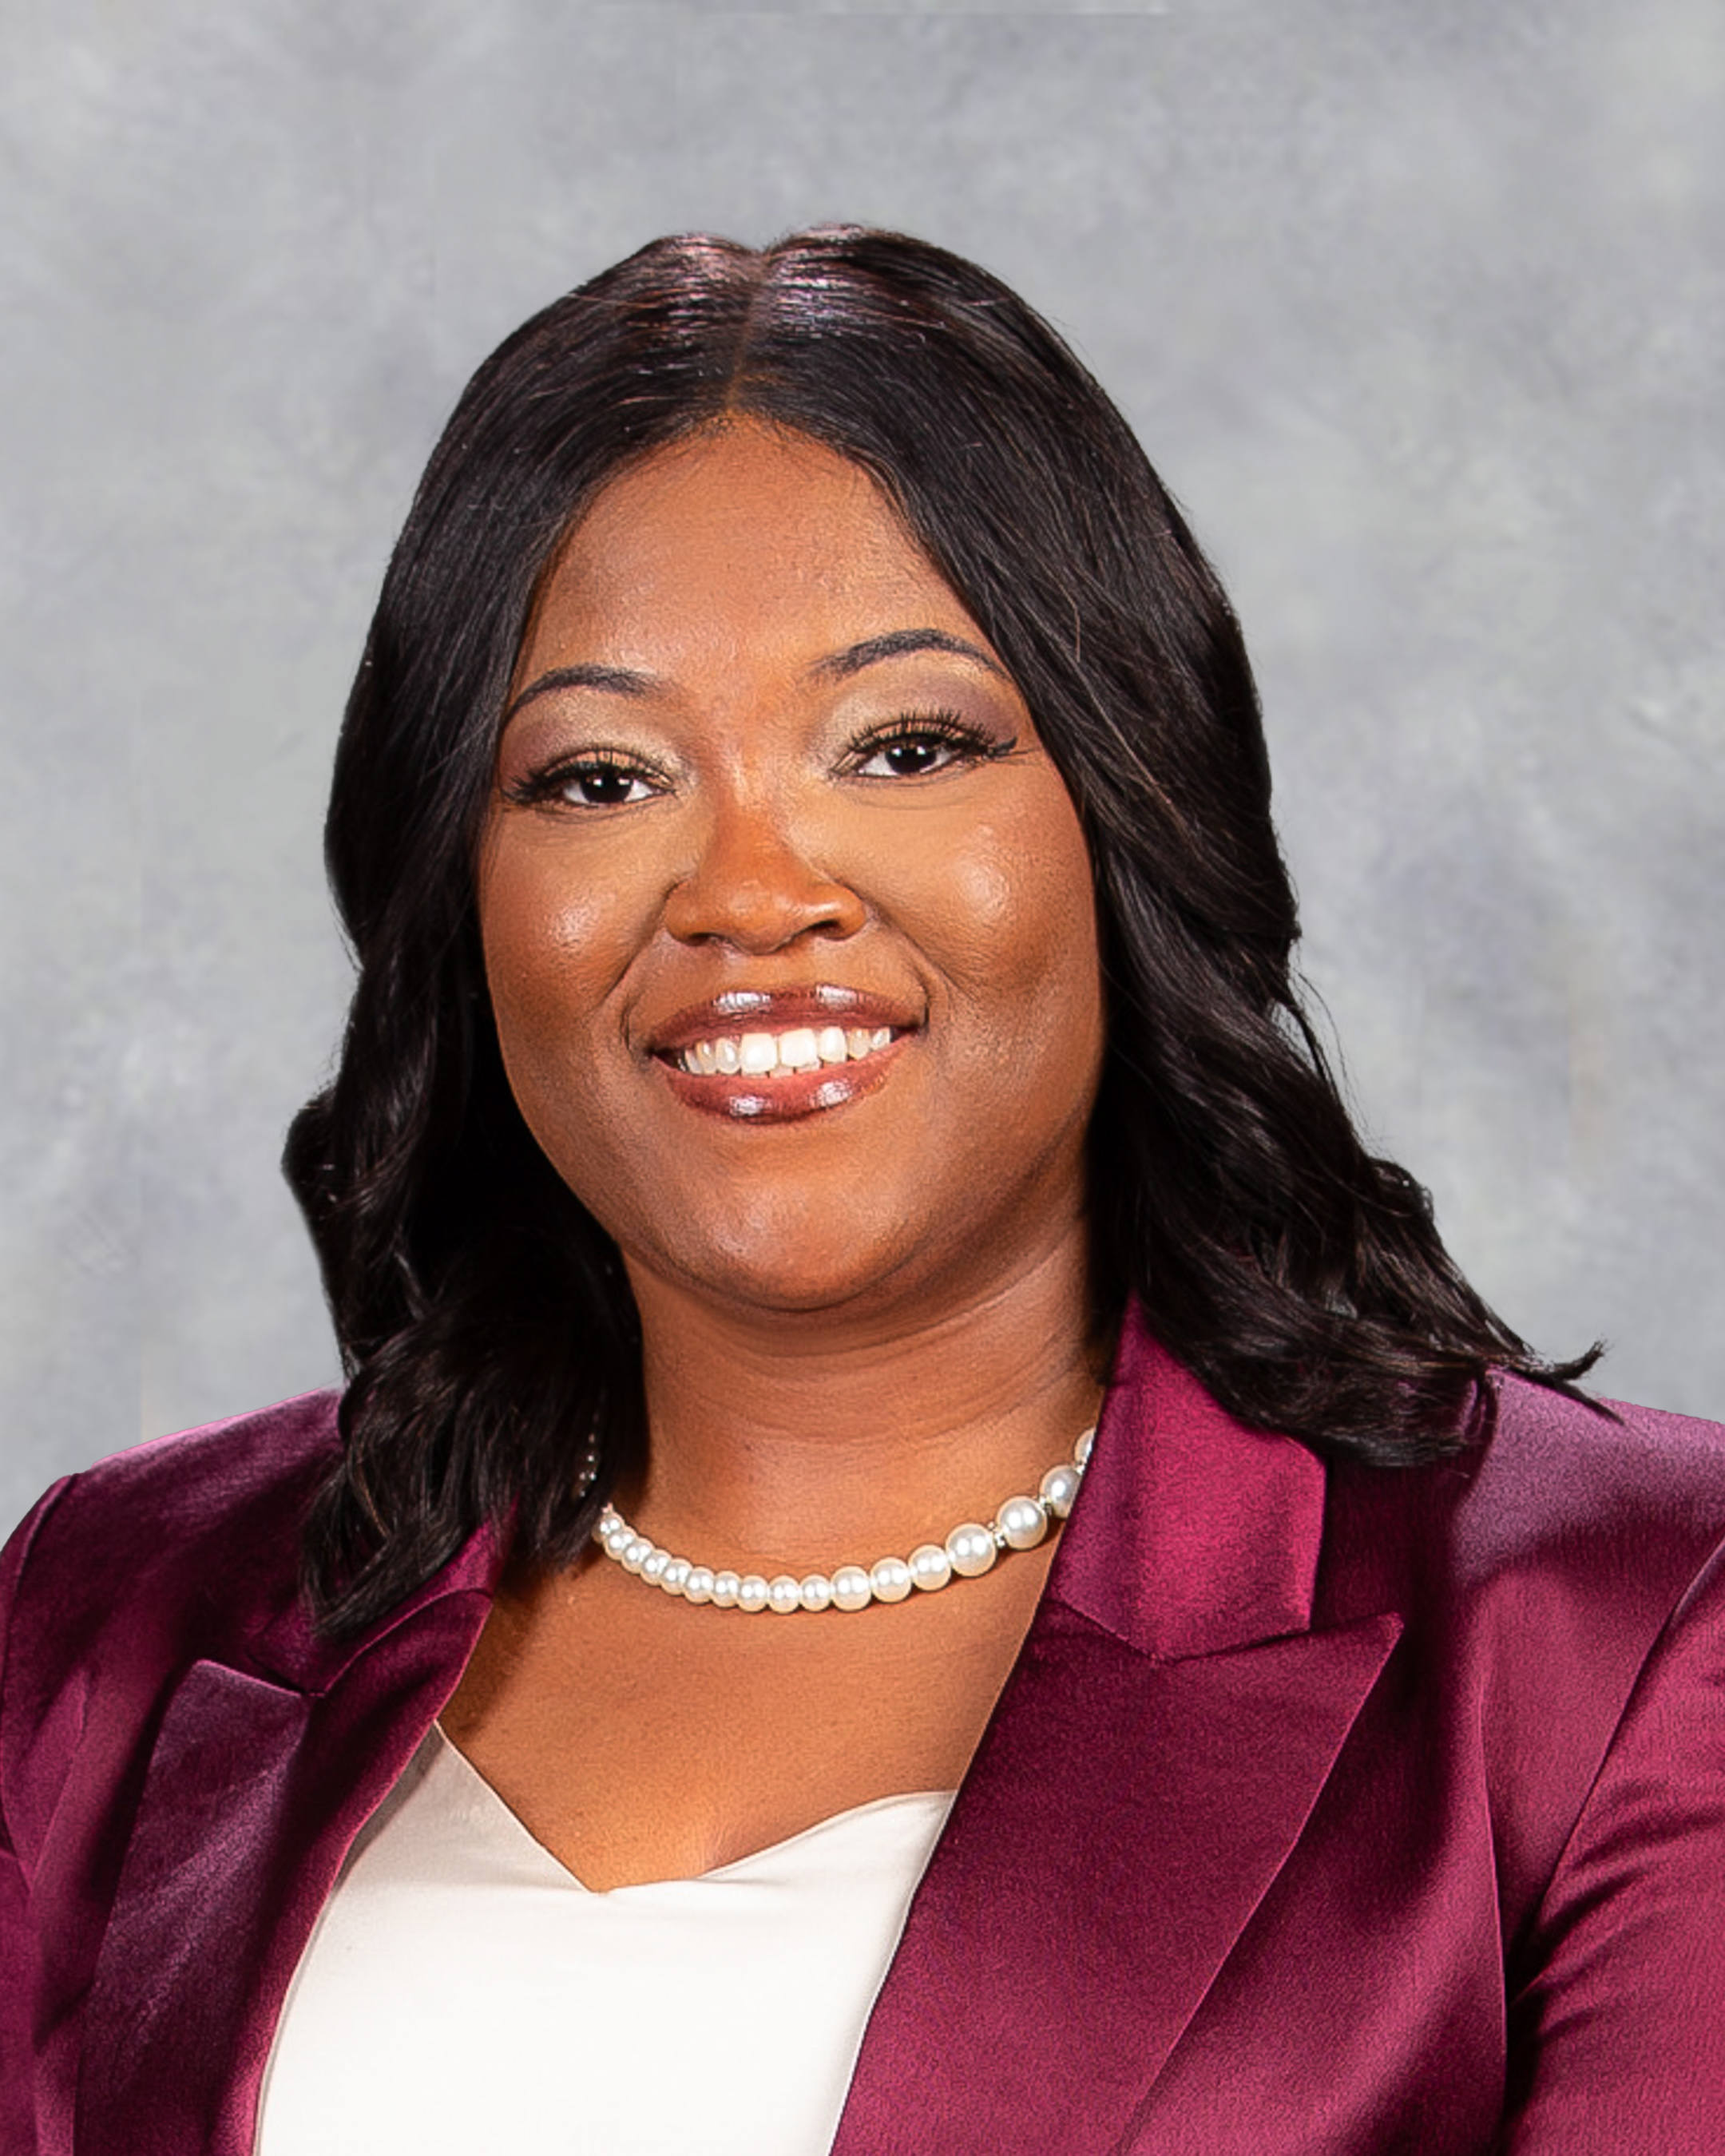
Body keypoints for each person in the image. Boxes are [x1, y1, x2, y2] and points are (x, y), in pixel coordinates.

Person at [2, 227, 1723, 2156]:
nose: (751, 895)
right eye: (598, 778)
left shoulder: (1624, 1633)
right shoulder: (113, 1610)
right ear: (456, 887)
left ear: (1126, 811)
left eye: (905, 746)